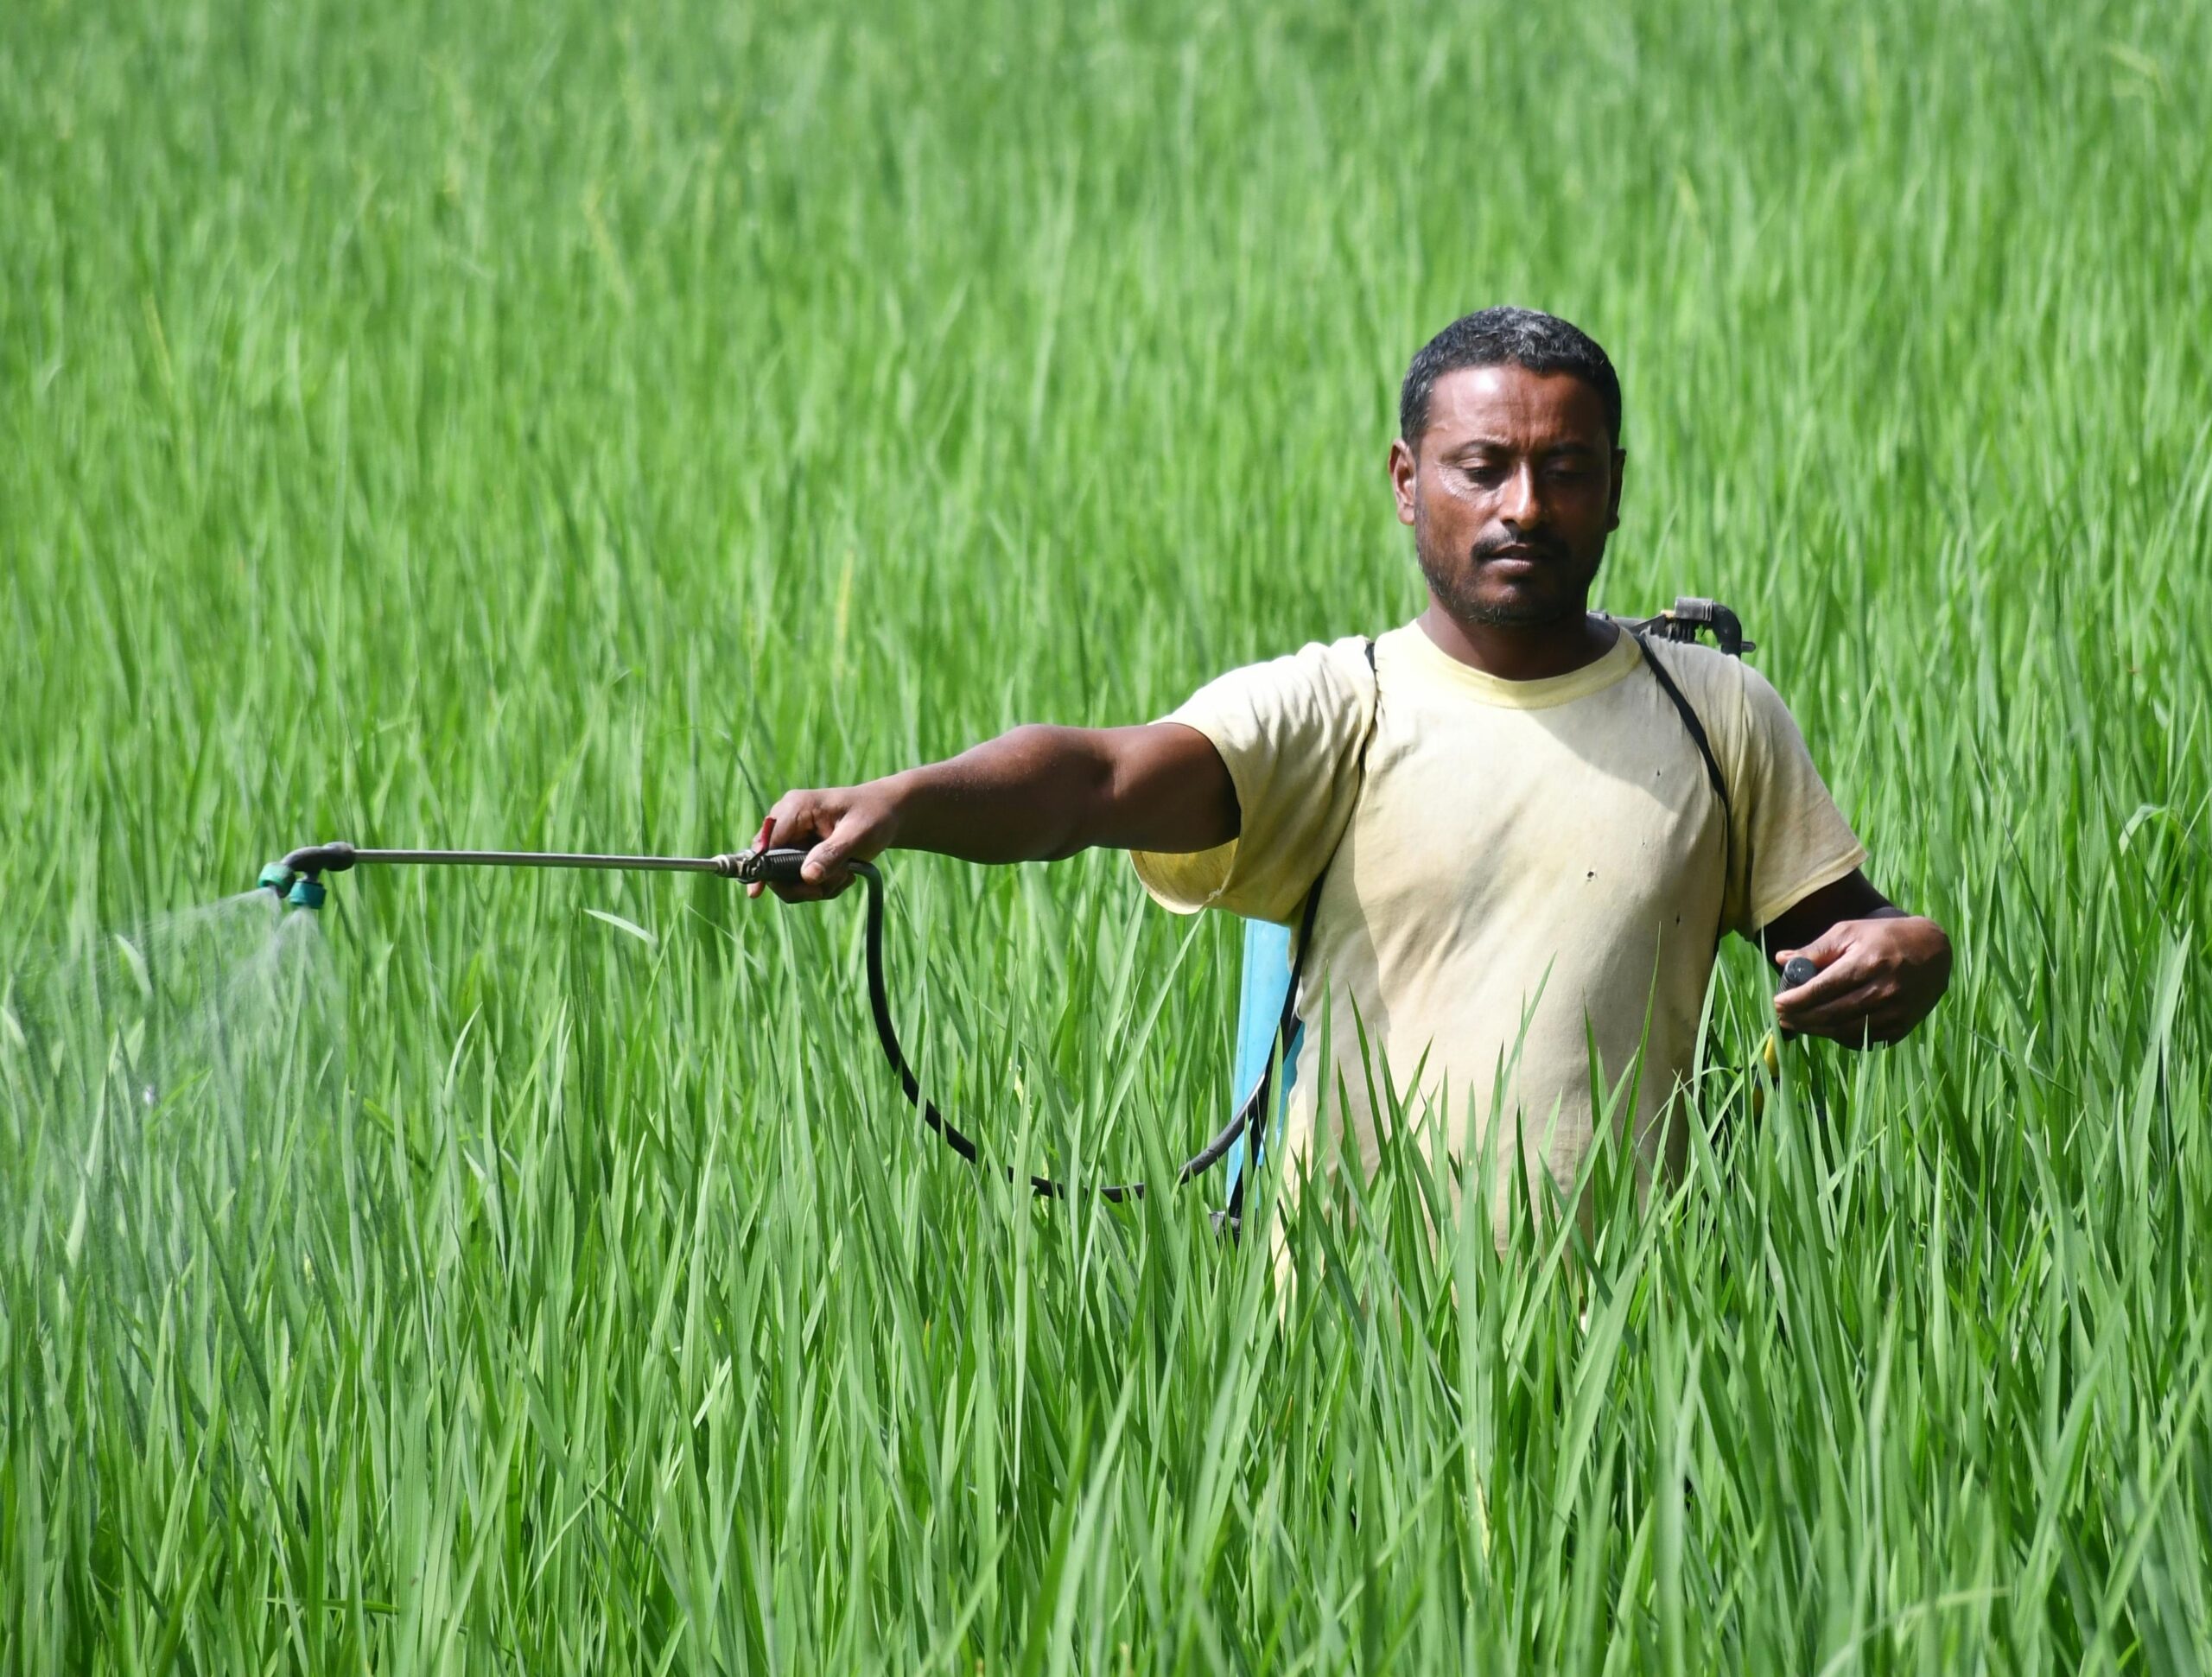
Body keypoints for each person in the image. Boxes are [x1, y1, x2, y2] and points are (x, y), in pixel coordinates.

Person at [750, 306, 1953, 1238]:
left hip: (1634, 1354)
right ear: (1406, 481)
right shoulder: (1339, 710)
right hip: (1352, 1344)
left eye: (1565, 469)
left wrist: (1913, 954)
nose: (1525, 506)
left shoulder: (1717, 715)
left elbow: (1842, 941)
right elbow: (1095, 781)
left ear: (1616, 489)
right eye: (1483, 466)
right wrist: (899, 805)